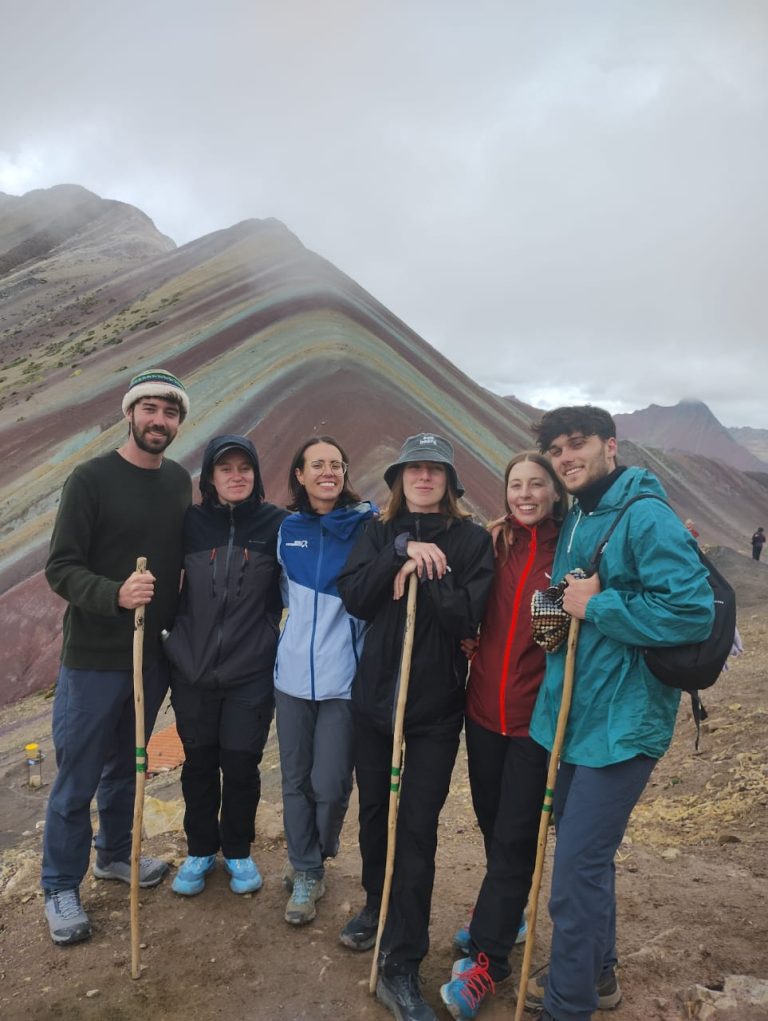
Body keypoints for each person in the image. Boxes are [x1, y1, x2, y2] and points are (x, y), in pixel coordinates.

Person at [524, 406, 714, 1021]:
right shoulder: (581, 513)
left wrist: (598, 605)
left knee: (575, 872)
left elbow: (691, 612)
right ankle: (597, 977)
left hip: (623, 723)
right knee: (586, 860)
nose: (565, 458)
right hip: (578, 720)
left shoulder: (645, 515)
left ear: (611, 445)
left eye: (576, 445)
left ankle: (567, 1005)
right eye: (556, 450)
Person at [338, 432, 495, 1021]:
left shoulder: (473, 541)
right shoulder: (376, 532)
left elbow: (466, 616)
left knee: (418, 827)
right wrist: (399, 551)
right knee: (374, 814)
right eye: (413, 469)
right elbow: (356, 596)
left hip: (433, 711)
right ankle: (376, 907)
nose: (423, 478)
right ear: (399, 478)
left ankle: (401, 960)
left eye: (434, 470)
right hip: (375, 703)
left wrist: (429, 570)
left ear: (450, 482)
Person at [42, 368, 192, 945]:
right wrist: (113, 594)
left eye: (170, 412)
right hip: (93, 656)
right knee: (76, 774)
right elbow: (61, 566)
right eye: (150, 409)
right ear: (130, 413)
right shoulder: (91, 479)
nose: (159, 421)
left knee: (128, 766)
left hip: (149, 657)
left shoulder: (179, 481)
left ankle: (113, 857)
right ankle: (59, 884)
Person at [439, 452, 567, 1019]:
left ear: (555, 491)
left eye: (536, 484)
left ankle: (490, 960)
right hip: (483, 710)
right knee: (493, 822)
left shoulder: (574, 550)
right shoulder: (495, 544)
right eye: (516, 484)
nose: (525, 493)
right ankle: (506, 911)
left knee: (516, 833)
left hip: (537, 720)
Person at [162, 435, 287, 896]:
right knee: (197, 765)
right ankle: (199, 850)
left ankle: (237, 850)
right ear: (209, 478)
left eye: (244, 468)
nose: (236, 476)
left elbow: (322, 542)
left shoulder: (278, 524)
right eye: (225, 469)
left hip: (250, 671)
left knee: (240, 765)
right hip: (191, 669)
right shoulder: (189, 523)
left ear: (255, 475)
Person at [275, 436, 376, 925]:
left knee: (331, 783)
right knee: (294, 780)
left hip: (344, 680)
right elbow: (281, 598)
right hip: (290, 678)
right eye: (317, 464)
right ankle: (306, 869)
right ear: (300, 474)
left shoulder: (366, 525)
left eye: (336, 464)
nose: (327, 472)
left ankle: (318, 848)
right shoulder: (286, 530)